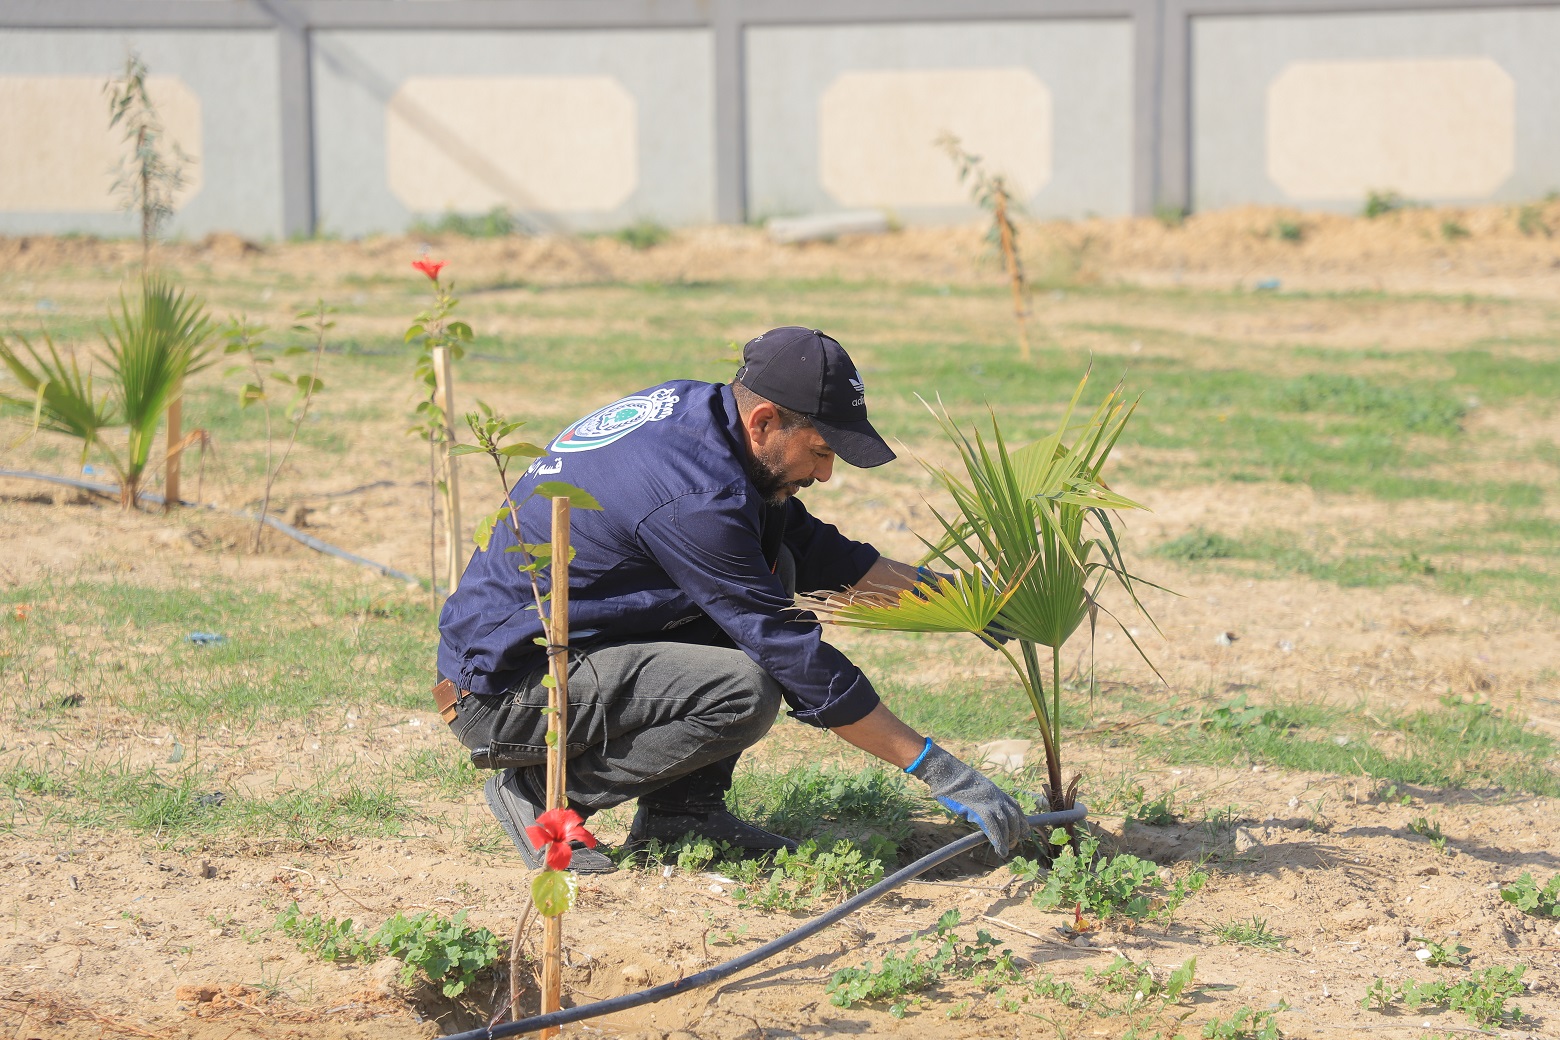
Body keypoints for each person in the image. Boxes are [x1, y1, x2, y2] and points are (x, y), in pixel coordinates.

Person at [434, 326, 1029, 873]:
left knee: (781, 559)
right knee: (744, 686)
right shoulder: (693, 498)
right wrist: (936, 768)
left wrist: (963, 601)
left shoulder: (707, 421)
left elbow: (811, 546)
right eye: (821, 451)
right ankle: (543, 792)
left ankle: (681, 816)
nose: (826, 475)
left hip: (572, 651)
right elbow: (788, 651)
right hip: (509, 688)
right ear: (765, 422)